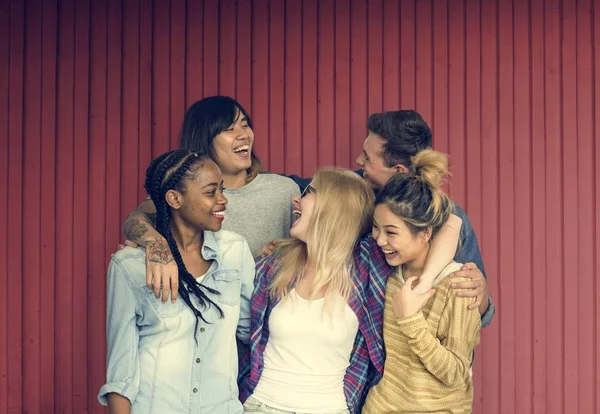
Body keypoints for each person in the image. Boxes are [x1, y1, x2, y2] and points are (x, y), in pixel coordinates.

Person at [289, 110, 494, 326]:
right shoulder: (355, 191)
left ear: (398, 170)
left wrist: (480, 293)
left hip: (419, 341)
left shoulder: (444, 216)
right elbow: (310, 190)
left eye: (368, 158)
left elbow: (475, 310)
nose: (359, 161)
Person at [99, 149, 255, 413]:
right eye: (210, 192)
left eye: (222, 190)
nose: (222, 200)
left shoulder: (235, 252)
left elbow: (252, 333)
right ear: (174, 198)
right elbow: (120, 376)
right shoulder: (129, 266)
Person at [122, 96, 300, 303]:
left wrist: (284, 254)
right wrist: (156, 245)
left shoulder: (284, 190)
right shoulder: (184, 197)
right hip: (205, 320)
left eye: (245, 125)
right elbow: (135, 220)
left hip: (268, 320)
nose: (243, 134)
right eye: (229, 129)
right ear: (204, 139)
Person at [240, 169, 379, 414]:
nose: (296, 200)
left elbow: (445, 223)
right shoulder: (275, 266)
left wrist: (471, 273)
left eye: (307, 192)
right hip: (261, 405)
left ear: (333, 206)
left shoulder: (365, 270)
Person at [362, 149, 480, 413]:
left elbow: (456, 374)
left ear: (425, 233)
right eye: (376, 227)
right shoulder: (391, 275)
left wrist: (410, 321)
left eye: (391, 232)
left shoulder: (458, 285)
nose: (380, 240)